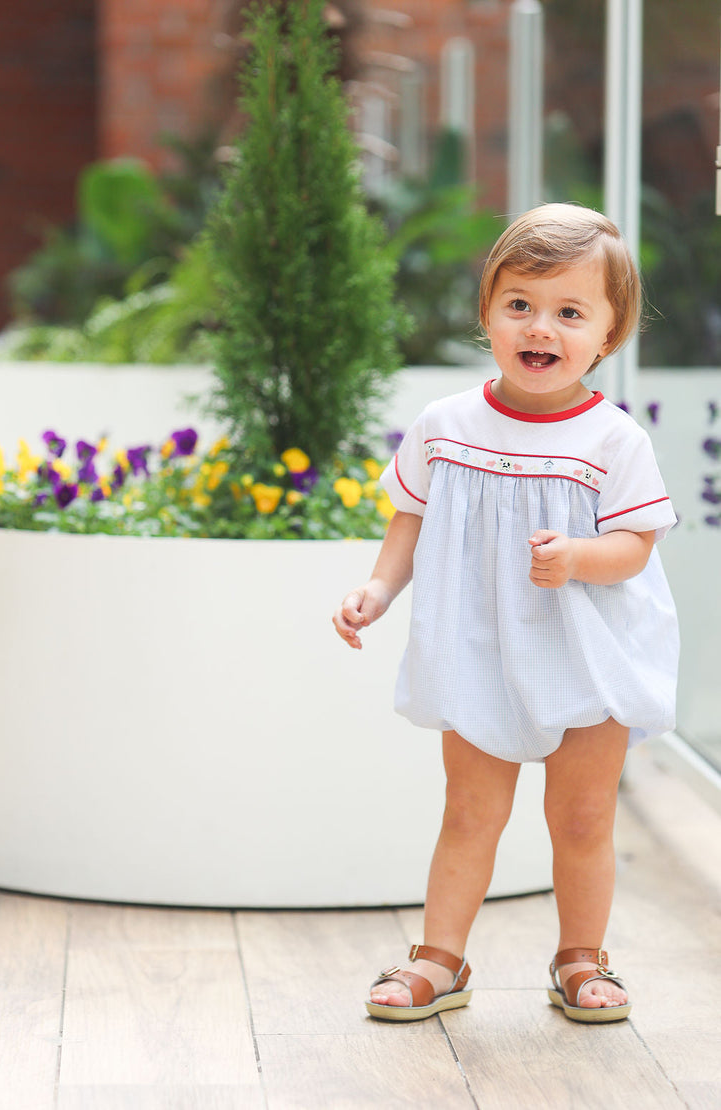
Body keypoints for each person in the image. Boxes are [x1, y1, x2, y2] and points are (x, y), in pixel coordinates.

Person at [332, 203, 679, 1024]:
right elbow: (410, 518)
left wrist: (579, 558)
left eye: (569, 312)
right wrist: (378, 591)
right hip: (480, 649)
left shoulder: (613, 441)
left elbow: (634, 548)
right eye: (519, 304)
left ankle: (581, 958)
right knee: (470, 811)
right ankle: (440, 960)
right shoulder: (446, 426)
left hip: (589, 653)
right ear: (486, 311)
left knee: (584, 815)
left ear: (609, 333)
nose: (540, 328)